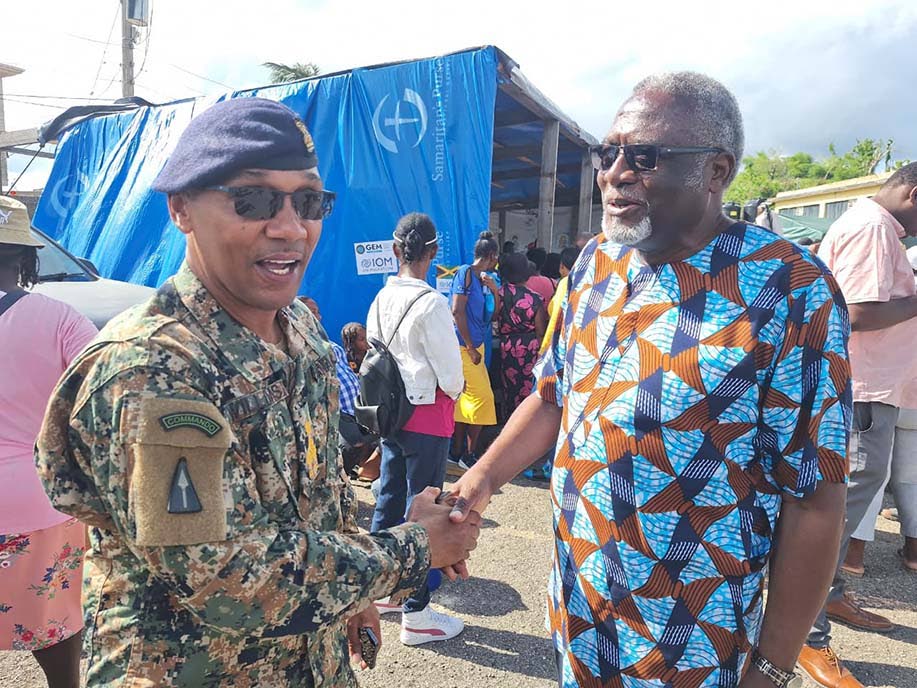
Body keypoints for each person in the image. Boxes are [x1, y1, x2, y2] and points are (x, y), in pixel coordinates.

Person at [34, 98, 480, 687]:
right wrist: (413, 548)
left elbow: (317, 494)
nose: (291, 226)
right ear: (181, 209)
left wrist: (351, 596)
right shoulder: (153, 369)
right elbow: (226, 580)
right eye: (255, 199)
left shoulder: (299, 332)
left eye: (309, 201)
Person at [448, 72, 850, 688]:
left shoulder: (789, 291)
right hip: (579, 613)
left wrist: (770, 667)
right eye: (610, 154)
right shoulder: (594, 264)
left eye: (644, 157)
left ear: (716, 171)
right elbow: (555, 397)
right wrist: (478, 480)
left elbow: (816, 497)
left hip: (692, 643)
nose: (614, 173)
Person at [796, 163, 917, 688]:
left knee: (849, 507)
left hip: (871, 390)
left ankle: (832, 598)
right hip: (862, 390)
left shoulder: (873, 226)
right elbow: (861, 313)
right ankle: (806, 634)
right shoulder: (872, 229)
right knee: (837, 511)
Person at [0, 196, 98, 688]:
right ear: (25, 259)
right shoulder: (60, 320)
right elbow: (102, 404)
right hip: (39, 500)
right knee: (55, 630)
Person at [365, 212, 465, 645]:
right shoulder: (432, 303)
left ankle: (382, 588)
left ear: (394, 250)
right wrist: (456, 390)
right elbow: (451, 373)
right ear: (434, 252)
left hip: (392, 413)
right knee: (425, 507)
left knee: (389, 497)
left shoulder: (380, 298)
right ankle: (417, 612)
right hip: (429, 414)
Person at [300, 297, 376, 478]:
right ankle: (340, 477)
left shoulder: (330, 345)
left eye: (317, 312)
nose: (318, 317)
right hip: (336, 412)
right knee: (351, 445)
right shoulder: (299, 348)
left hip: (356, 406)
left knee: (371, 441)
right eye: (312, 312)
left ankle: (351, 475)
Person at [448, 231, 500, 475]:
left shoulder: (483, 279)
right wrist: (469, 346)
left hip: (475, 344)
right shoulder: (465, 273)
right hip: (463, 347)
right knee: (484, 399)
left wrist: (495, 291)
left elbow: (495, 314)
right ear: (491, 256)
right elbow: (457, 310)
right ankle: (469, 455)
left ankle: (456, 453)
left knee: (466, 400)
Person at [496, 251, 547, 415]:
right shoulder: (535, 298)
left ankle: (508, 419)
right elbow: (540, 332)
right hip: (529, 348)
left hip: (507, 346)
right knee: (528, 387)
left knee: (508, 385)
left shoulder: (499, 294)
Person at [540, 245, 581, 355]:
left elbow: (556, 317)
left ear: (562, 266)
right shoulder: (589, 281)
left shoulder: (566, 282)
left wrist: (545, 346)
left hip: (564, 341)